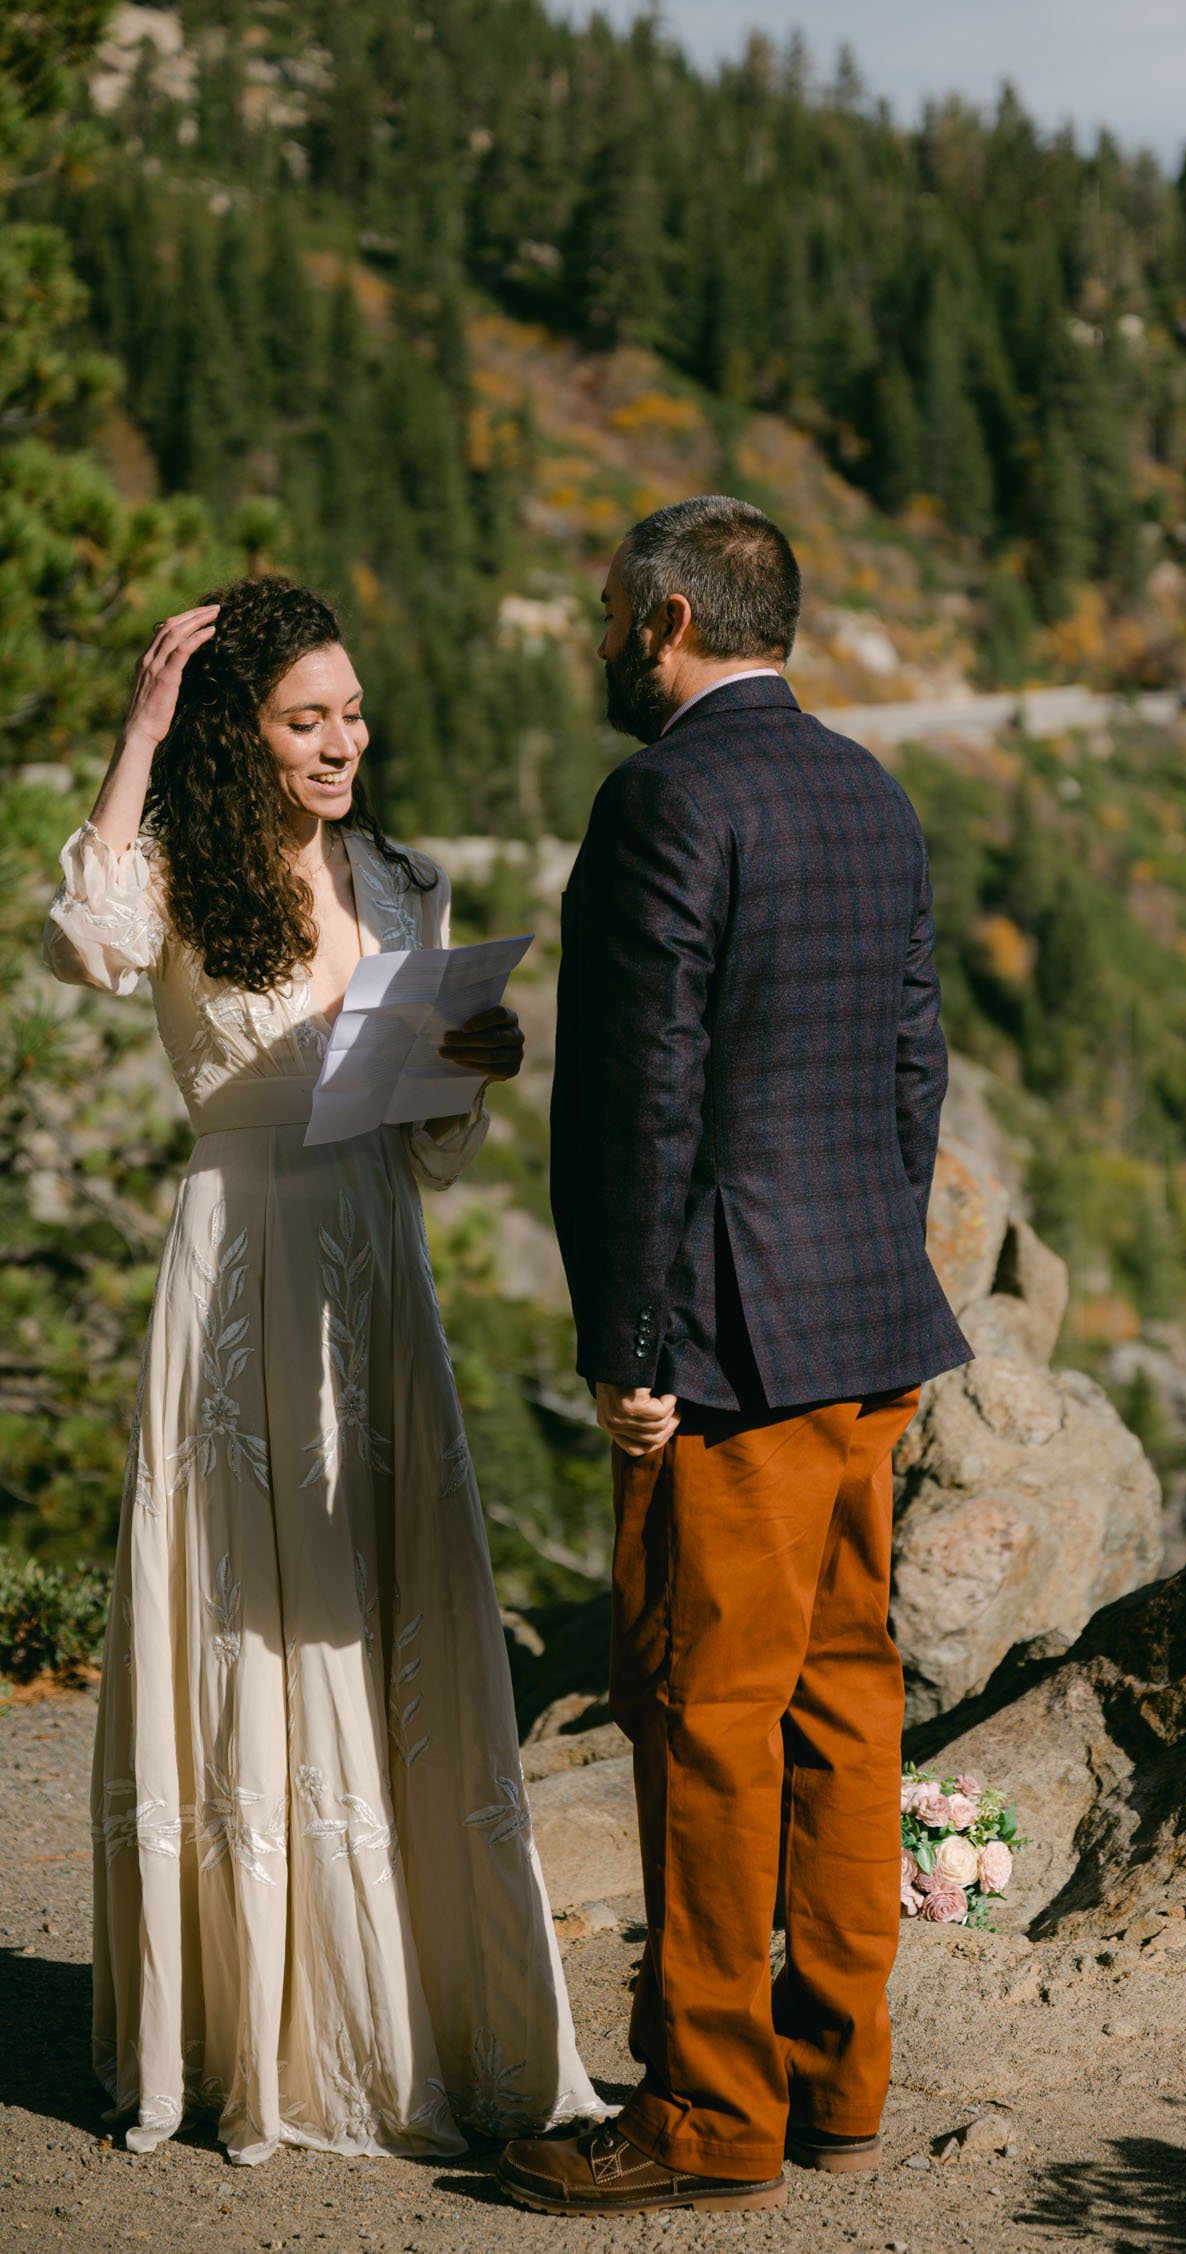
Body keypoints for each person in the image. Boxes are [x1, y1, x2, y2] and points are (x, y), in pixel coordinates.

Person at [43, 576, 601, 2165]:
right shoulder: (176, 866)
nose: (344, 741)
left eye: (352, 712)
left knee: (385, 1604)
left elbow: (428, 1145)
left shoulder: (405, 877)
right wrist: (141, 731)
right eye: (307, 717)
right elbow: (86, 938)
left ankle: (407, 2004)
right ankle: (243, 2027)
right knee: (242, 1614)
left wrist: (469, 1071)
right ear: (243, 732)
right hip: (237, 1266)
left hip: (374, 1264)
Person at [499, 496, 971, 2218]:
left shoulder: (663, 800)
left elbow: (645, 1102)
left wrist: (633, 1342)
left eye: (613, 609)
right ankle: (841, 2074)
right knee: (849, 1703)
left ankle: (708, 2112)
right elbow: (915, 1068)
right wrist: (861, 1266)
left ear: (672, 618)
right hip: (867, 1335)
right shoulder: (873, 790)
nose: (601, 634)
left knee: (711, 1719)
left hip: (735, 1350)